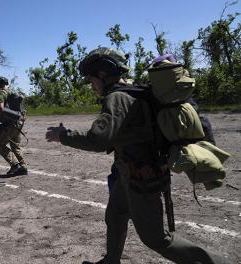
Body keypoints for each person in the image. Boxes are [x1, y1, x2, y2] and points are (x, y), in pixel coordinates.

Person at [45, 48, 228, 264]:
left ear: (103, 74)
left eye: (92, 79)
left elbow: (98, 139)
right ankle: (111, 261)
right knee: (115, 216)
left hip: (142, 177)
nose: (92, 85)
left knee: (157, 239)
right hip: (129, 173)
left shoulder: (118, 97)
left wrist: (63, 135)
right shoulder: (135, 91)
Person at [0, 76, 28, 176]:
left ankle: (15, 165)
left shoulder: (0, 93)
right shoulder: (13, 92)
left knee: (0, 145)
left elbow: (1, 109)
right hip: (19, 122)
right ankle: (23, 168)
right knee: (15, 146)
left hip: (9, 124)